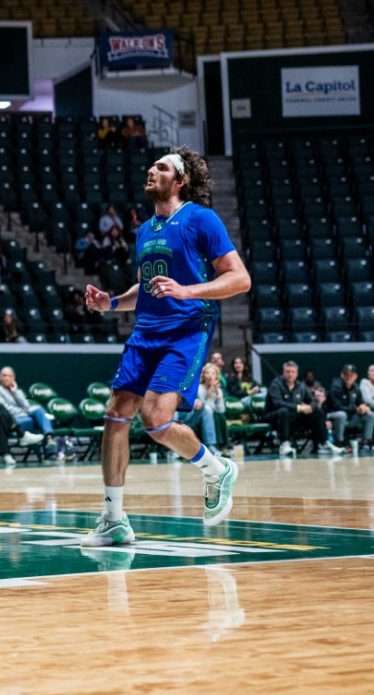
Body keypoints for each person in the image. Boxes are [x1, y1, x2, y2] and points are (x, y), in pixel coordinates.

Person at [80, 148, 249, 546]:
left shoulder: (200, 218)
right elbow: (147, 288)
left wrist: (188, 291)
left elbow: (239, 279)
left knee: (155, 419)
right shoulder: (145, 230)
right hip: (146, 330)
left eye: (162, 167)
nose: (151, 170)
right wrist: (111, 303)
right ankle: (114, 519)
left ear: (180, 180)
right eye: (152, 165)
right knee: (116, 415)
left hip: (187, 328)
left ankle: (216, 469)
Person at [265, 360, 326, 456]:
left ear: (297, 374)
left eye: (292, 372)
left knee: (317, 412)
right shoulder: (276, 384)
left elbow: (313, 400)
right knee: (283, 411)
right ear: (283, 372)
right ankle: (284, 444)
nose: (290, 374)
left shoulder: (300, 386)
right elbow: (278, 403)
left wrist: (310, 407)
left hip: (293, 417)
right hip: (274, 416)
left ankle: (323, 444)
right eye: (287, 372)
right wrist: (299, 407)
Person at [0, 366, 55, 444]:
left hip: (26, 417)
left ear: (13, 378)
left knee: (39, 410)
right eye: (4, 375)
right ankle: (47, 437)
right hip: (14, 422)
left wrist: (15, 392)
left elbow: (26, 406)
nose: (7, 378)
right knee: (42, 421)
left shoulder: (17, 391)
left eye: (10, 376)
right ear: (0, 377)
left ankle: (49, 438)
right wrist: (23, 412)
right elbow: (5, 409)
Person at [327, 364, 374, 451]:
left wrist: (364, 407)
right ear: (342, 375)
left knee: (369, 415)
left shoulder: (356, 388)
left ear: (356, 376)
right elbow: (336, 407)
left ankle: (366, 443)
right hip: (332, 416)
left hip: (350, 417)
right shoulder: (335, 387)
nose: (348, 377)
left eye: (351, 375)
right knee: (342, 415)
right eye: (346, 374)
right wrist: (356, 409)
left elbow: (360, 403)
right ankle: (339, 443)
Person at [188, 360, 226, 450]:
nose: (210, 376)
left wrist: (218, 395)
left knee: (220, 417)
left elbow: (221, 410)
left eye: (213, 373)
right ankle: (212, 445)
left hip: (211, 415)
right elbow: (203, 408)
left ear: (216, 376)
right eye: (207, 373)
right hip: (195, 415)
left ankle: (222, 446)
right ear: (203, 375)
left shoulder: (218, 390)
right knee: (209, 411)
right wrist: (209, 396)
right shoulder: (199, 389)